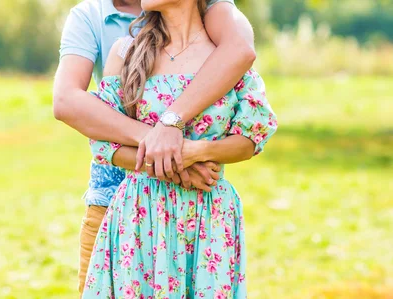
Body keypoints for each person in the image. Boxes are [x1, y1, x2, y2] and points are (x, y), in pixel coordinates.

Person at [53, 0, 257, 295]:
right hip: (119, 206)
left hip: (203, 217)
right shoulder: (97, 22)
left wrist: (177, 134)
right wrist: (163, 145)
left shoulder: (216, 19)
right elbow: (66, 102)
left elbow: (241, 56)